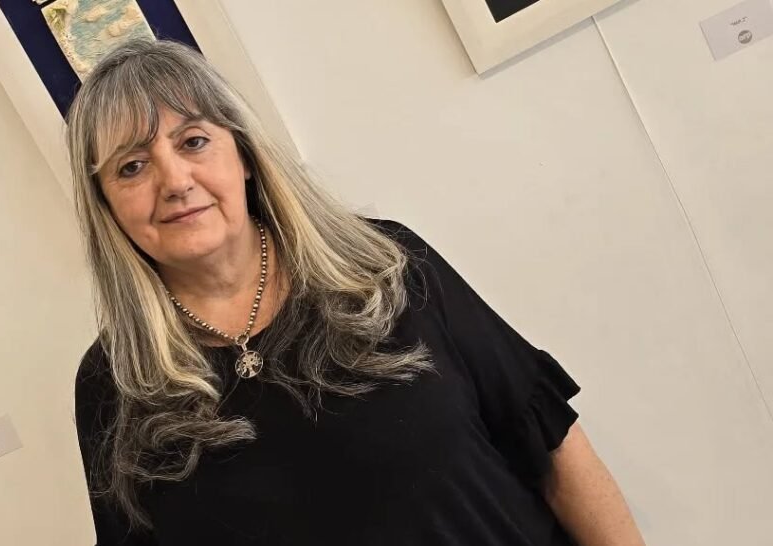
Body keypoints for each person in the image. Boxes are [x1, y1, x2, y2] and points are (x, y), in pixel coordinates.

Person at [66, 38, 644, 546]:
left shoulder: (382, 265)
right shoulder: (114, 382)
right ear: (106, 205)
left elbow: (553, 446)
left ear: (243, 155)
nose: (174, 181)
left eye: (193, 141)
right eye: (131, 167)